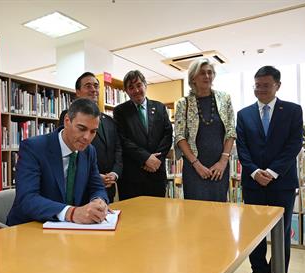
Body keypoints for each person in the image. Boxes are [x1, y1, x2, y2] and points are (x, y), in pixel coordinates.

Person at [236, 66, 303, 273]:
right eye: (257, 85)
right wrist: (255, 172)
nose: (260, 89)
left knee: (281, 231)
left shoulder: (293, 111)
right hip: (253, 183)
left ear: (278, 86)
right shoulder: (244, 114)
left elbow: (294, 145)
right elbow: (242, 148)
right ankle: (258, 271)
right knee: (254, 231)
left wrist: (272, 172)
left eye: (266, 85)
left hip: (282, 182)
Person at [7, 98, 109, 225]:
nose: (87, 137)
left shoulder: (89, 151)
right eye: (81, 128)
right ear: (67, 121)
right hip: (31, 227)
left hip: (68, 229)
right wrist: (71, 213)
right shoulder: (34, 148)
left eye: (93, 131)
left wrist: (98, 200)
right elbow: (27, 199)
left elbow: (96, 186)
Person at [174, 58, 236, 201]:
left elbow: (231, 131)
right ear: (193, 78)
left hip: (219, 167)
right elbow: (179, 136)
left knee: (219, 214)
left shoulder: (224, 99)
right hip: (194, 168)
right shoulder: (184, 103)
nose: (207, 76)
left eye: (210, 72)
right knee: (195, 215)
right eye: (202, 73)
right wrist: (196, 164)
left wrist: (223, 161)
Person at [59, 72, 122, 202]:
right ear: (78, 92)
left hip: (107, 188)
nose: (93, 90)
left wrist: (114, 174)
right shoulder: (69, 116)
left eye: (96, 86)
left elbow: (118, 149)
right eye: (88, 86)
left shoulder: (109, 120)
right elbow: (68, 153)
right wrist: (94, 176)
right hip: (81, 187)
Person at [113, 70, 173, 200]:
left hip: (156, 174)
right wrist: (146, 158)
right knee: (132, 217)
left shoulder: (160, 108)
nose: (136, 90)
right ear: (126, 91)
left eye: (139, 85)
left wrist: (156, 161)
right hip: (132, 177)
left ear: (145, 85)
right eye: (131, 87)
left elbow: (167, 135)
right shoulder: (120, 111)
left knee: (158, 216)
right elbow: (122, 140)